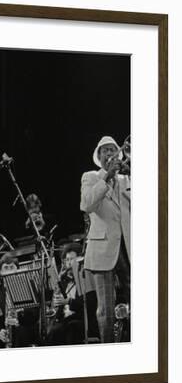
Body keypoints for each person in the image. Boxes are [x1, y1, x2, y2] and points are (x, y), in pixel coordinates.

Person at [80, 136, 130, 343]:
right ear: (99, 156)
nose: (109, 153)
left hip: (128, 247)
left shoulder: (126, 179)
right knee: (106, 309)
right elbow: (86, 204)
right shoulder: (91, 177)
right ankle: (108, 348)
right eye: (105, 151)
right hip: (103, 249)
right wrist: (106, 176)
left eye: (113, 150)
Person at [47, 243, 100, 345]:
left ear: (80, 260)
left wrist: (68, 301)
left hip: (83, 320)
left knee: (68, 329)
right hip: (65, 320)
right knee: (52, 332)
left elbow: (91, 303)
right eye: (67, 260)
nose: (69, 263)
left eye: (72, 259)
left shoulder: (85, 277)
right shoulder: (63, 281)